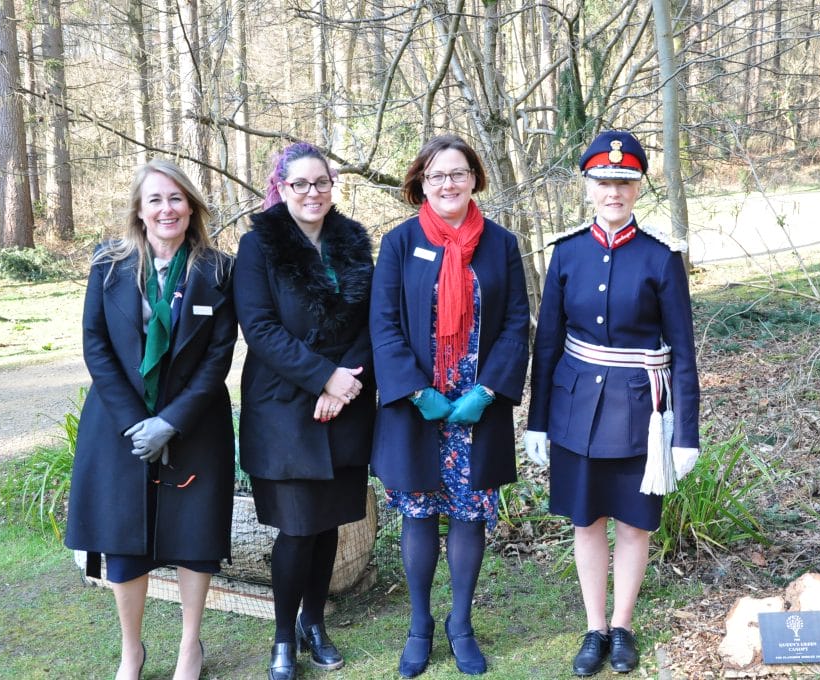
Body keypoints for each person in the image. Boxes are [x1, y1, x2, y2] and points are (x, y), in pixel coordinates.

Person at [524, 130, 701, 676]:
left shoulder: (660, 259)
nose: (613, 191)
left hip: (638, 412)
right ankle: (593, 626)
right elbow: (547, 342)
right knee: (585, 520)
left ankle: (622, 626)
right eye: (603, 181)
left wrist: (686, 433)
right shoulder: (567, 253)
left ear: (637, 187)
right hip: (575, 409)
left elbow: (685, 353)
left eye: (624, 182)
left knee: (633, 523)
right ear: (588, 187)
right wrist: (536, 420)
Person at [65, 159, 238, 680]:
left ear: (192, 207)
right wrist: (136, 423)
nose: (167, 209)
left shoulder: (217, 270)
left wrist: (172, 421)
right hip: (119, 427)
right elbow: (96, 346)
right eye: (156, 200)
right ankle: (131, 650)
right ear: (139, 210)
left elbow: (219, 357)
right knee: (124, 537)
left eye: (176, 199)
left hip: (195, 423)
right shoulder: (108, 264)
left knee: (195, 537)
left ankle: (190, 648)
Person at [370, 134, 529, 677]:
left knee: (468, 514)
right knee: (418, 512)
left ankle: (461, 623)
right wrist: (418, 391)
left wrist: (486, 392)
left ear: (474, 178)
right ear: (421, 181)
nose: (448, 184)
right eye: (437, 175)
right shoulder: (398, 242)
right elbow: (383, 325)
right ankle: (420, 624)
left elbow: (514, 324)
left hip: (476, 402)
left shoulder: (501, 244)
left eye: (458, 173)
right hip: (419, 402)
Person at [234, 142, 375, 680]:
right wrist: (322, 377)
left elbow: (372, 320)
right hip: (283, 407)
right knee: (296, 527)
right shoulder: (259, 247)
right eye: (300, 184)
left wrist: (344, 384)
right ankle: (282, 635)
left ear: (332, 187)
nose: (312, 193)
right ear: (281, 188)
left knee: (328, 523)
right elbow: (261, 328)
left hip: (347, 401)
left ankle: (315, 623)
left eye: (321, 183)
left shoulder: (353, 243)